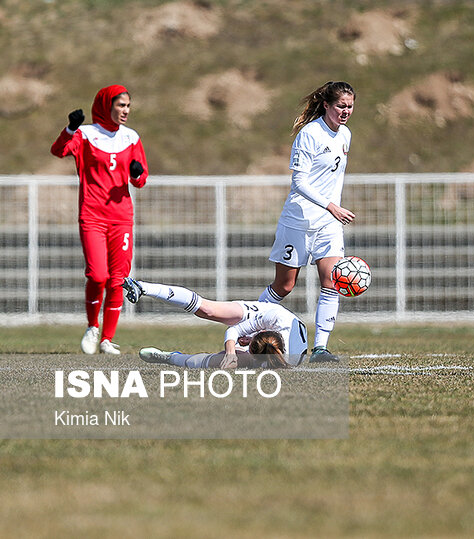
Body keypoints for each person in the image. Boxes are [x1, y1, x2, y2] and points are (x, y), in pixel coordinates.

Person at [256, 81, 356, 364]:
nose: (345, 111)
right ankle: (246, 327)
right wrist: (330, 205)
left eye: (349, 106)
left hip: (328, 224)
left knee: (332, 281)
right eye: (340, 106)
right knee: (285, 286)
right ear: (326, 105)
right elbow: (298, 182)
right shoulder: (309, 135)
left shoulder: (345, 135)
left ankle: (320, 349)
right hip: (298, 220)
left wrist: (331, 212)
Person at [50, 84, 148, 355]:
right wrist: (70, 128)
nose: (125, 111)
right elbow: (58, 151)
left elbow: (140, 181)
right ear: (106, 105)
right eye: (120, 105)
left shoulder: (131, 138)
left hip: (121, 218)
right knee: (97, 274)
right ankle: (92, 327)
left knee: (118, 279)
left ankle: (107, 338)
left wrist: (137, 173)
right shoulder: (86, 134)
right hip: (92, 215)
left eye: (128, 106)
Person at [122, 276, 307, 368]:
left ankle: (170, 357)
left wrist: (235, 357)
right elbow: (234, 331)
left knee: (222, 364)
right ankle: (142, 287)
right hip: (263, 314)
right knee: (207, 309)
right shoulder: (273, 317)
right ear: (260, 332)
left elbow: (255, 352)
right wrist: (231, 351)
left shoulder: (285, 362)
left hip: (267, 340)